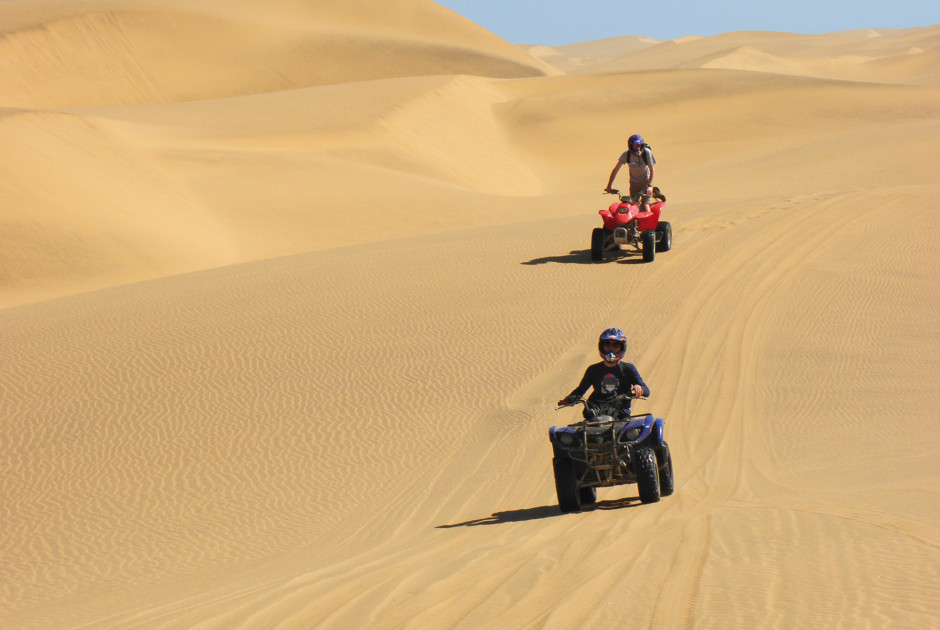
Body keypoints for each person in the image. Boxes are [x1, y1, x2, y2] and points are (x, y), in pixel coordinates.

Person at [557, 328, 650, 417]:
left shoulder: (628, 368)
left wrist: (639, 388)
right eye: (607, 345)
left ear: (621, 347)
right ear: (602, 346)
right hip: (596, 414)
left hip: (621, 416)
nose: (611, 349)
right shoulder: (593, 370)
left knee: (636, 432)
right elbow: (580, 390)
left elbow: (646, 391)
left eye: (615, 345)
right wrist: (568, 399)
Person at [605, 134, 655, 206]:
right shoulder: (626, 154)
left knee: (645, 204)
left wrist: (649, 186)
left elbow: (652, 169)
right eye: (635, 146)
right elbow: (615, 170)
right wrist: (609, 185)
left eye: (639, 145)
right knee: (633, 205)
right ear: (631, 146)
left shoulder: (647, 152)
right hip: (633, 183)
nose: (638, 148)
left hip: (645, 182)